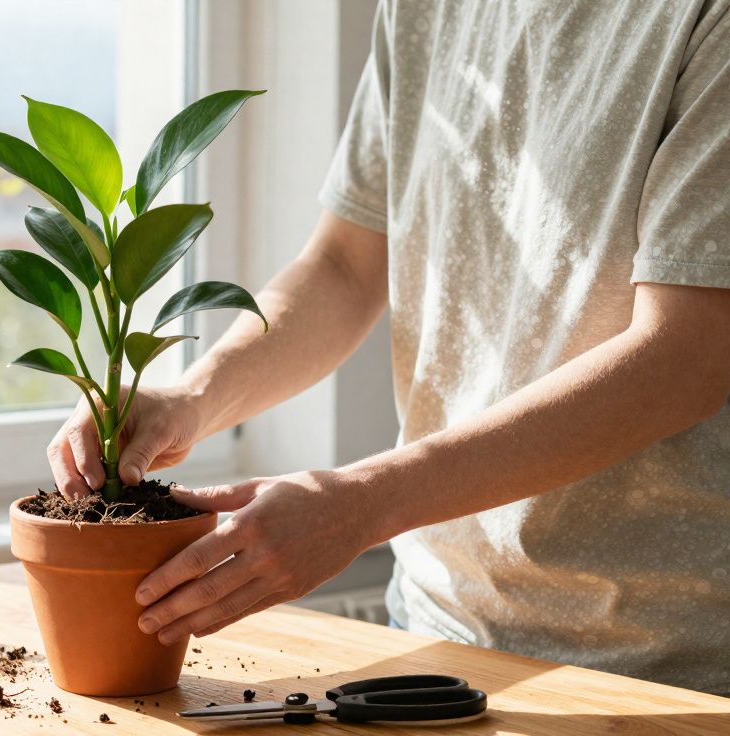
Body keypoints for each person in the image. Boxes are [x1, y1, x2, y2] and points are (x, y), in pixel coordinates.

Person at [47, 0, 730, 695]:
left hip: (662, 662)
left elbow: (687, 356)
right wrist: (190, 398)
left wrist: (362, 505)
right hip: (433, 629)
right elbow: (344, 267)